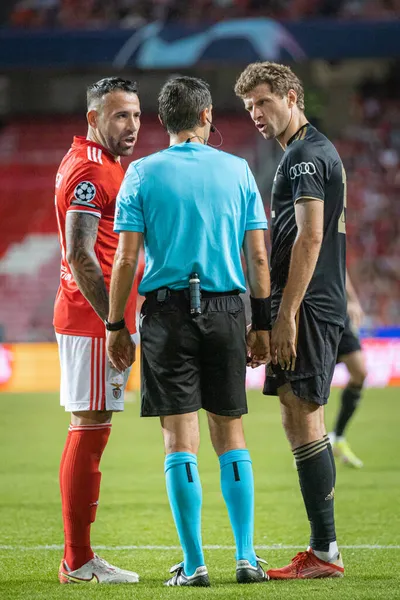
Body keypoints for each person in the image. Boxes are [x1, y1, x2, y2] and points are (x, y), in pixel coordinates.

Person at [106, 76, 271, 587]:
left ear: (163, 122)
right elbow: (259, 255)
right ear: (206, 117)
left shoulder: (141, 173)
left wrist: (115, 325)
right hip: (225, 311)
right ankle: (246, 557)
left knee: (179, 439)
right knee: (231, 433)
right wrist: (261, 323)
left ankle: (195, 564)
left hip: (164, 315)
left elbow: (127, 258)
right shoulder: (238, 169)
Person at [235, 62, 347, 579]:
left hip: (307, 307)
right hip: (312, 303)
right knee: (301, 415)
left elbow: (311, 236)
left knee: (302, 413)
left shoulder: (303, 157)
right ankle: (324, 547)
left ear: (292, 95)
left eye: (263, 102)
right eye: (249, 107)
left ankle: (324, 551)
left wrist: (285, 314)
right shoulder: (307, 152)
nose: (256, 114)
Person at [54, 77, 141, 584]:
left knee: (94, 429)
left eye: (134, 115)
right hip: (92, 322)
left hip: (98, 321)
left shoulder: (104, 163)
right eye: (118, 116)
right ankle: (78, 560)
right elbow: (80, 254)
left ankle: (79, 557)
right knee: (88, 430)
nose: (130, 126)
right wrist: (114, 323)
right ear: (93, 118)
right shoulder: (89, 169)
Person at [328, 271, 367, 468]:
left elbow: (340, 265)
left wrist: (352, 299)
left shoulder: (337, 239)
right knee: (316, 380)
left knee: (359, 372)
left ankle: (338, 436)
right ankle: (311, 448)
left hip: (339, 310)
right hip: (316, 308)